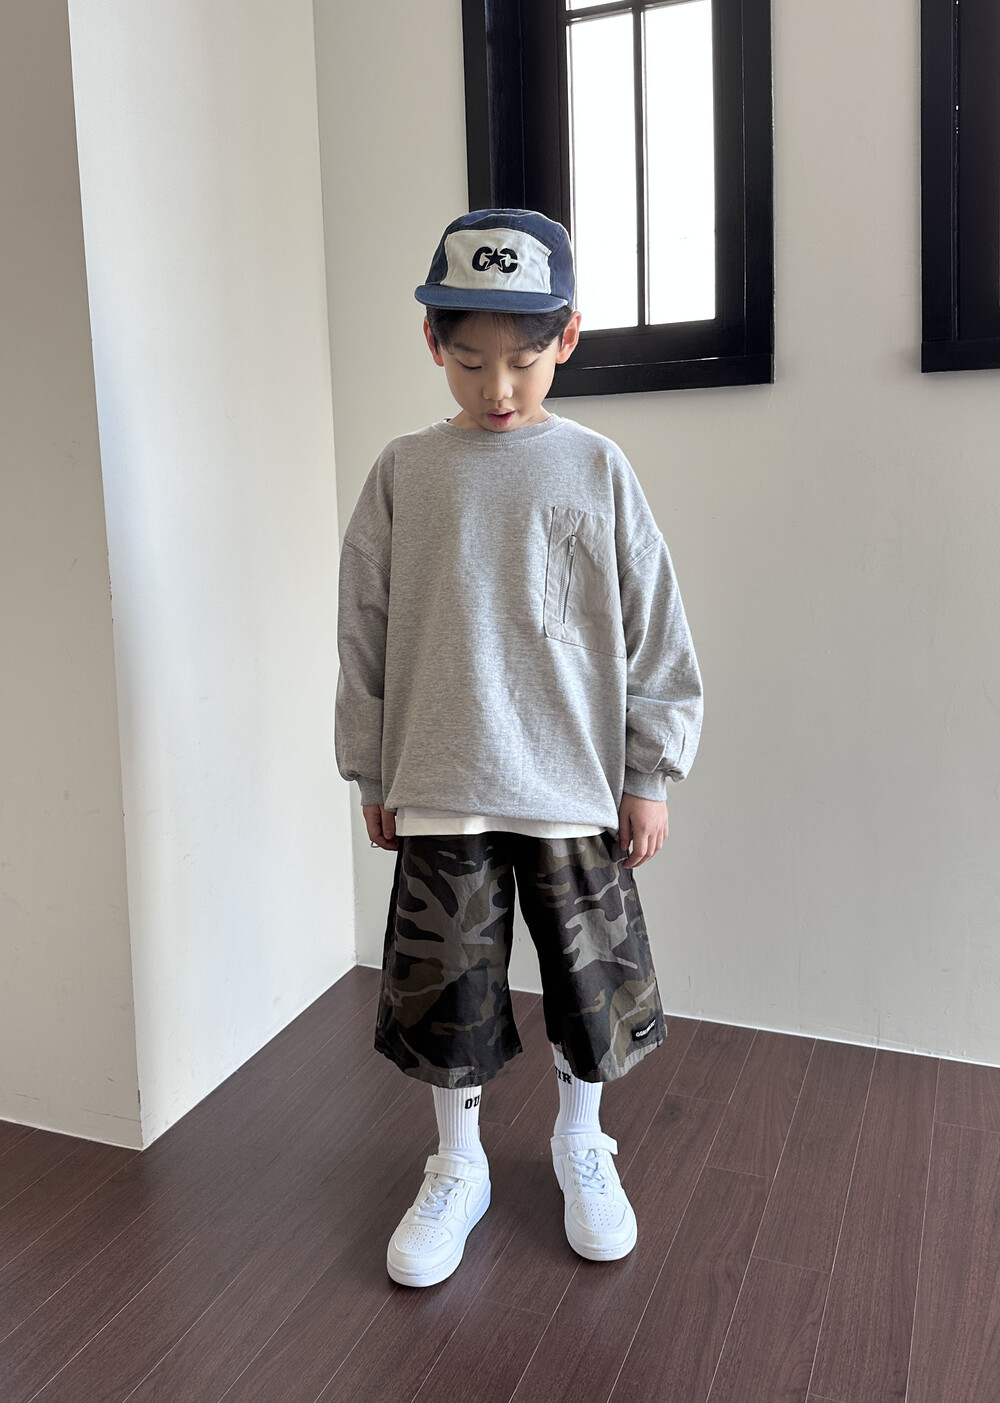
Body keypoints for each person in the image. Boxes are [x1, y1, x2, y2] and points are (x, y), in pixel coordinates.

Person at [335, 208, 703, 1289]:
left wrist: (648, 772)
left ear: (567, 337)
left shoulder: (596, 467)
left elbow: (655, 626)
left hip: (572, 783)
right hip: (442, 776)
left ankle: (582, 1140)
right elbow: (363, 626)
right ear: (432, 343)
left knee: (591, 990)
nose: (497, 388)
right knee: (446, 991)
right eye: (470, 361)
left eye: (523, 360)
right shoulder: (405, 471)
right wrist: (371, 765)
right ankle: (457, 1163)